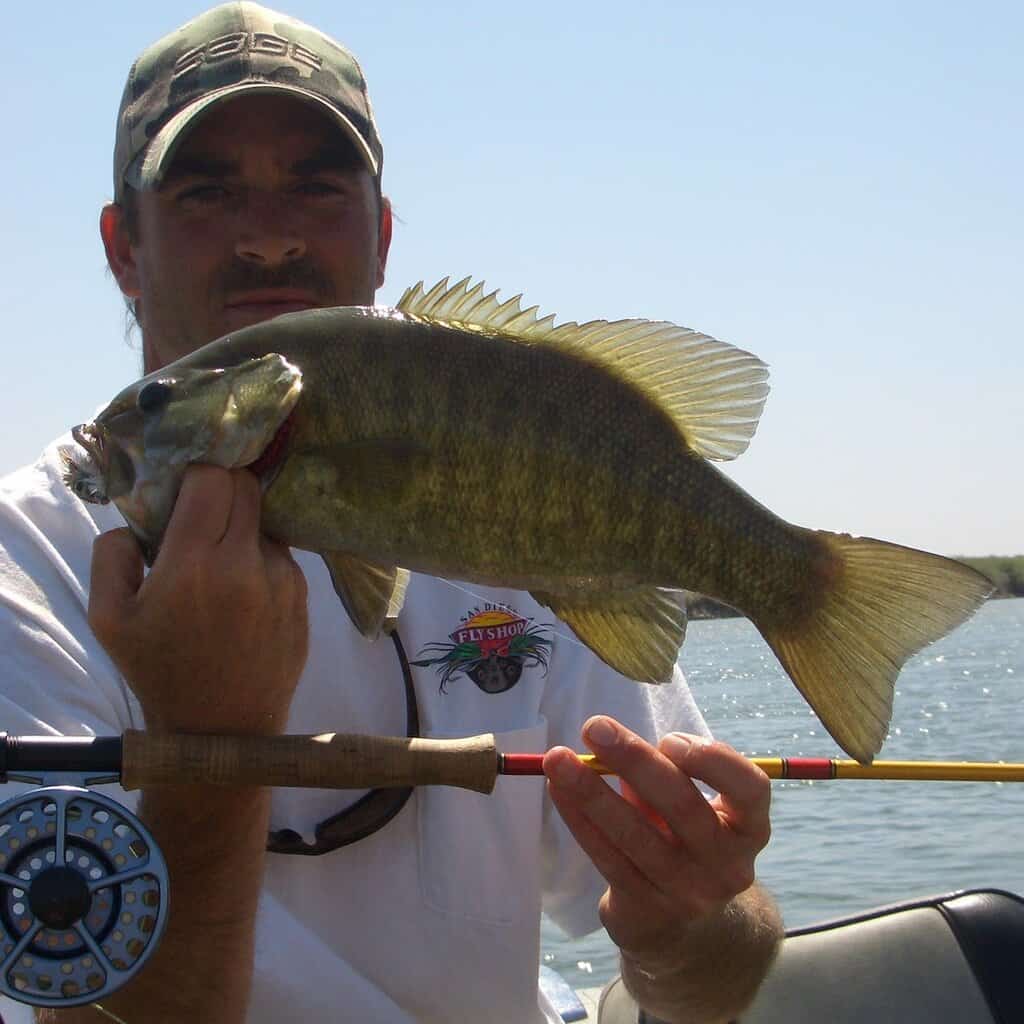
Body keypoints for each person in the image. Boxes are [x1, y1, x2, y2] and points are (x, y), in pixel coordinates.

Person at [0, 4, 782, 1022]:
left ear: (380, 235)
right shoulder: (29, 570)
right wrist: (210, 738)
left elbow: (716, 979)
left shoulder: (504, 471)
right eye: (204, 191)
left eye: (318, 188)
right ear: (123, 250)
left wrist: (680, 926)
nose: (269, 234)